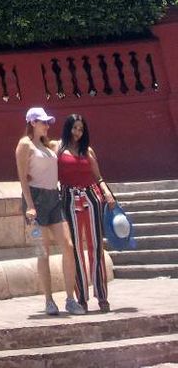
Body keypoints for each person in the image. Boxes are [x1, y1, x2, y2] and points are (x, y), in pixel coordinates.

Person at [15, 106, 84, 316]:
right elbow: (22, 178)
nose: (47, 125)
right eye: (43, 122)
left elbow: (69, 144)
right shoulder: (24, 145)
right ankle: (48, 299)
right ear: (32, 122)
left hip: (54, 197)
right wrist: (30, 206)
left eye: (47, 122)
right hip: (35, 200)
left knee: (68, 246)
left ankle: (70, 299)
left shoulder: (48, 145)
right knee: (42, 252)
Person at [53, 114, 114, 312]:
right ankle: (81, 297)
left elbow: (98, 176)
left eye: (80, 129)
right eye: (74, 128)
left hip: (91, 198)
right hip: (69, 199)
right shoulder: (58, 149)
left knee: (96, 246)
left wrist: (107, 194)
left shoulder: (87, 151)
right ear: (67, 128)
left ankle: (102, 295)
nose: (77, 133)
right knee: (76, 249)